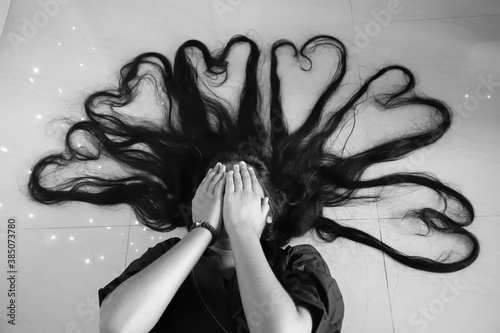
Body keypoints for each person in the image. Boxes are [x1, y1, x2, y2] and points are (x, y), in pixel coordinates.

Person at [25, 34, 479, 332]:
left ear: (269, 210)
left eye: (242, 197)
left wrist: (243, 234)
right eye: (217, 193)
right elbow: (117, 327)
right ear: (195, 200)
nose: (228, 207)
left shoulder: (297, 263)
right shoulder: (168, 258)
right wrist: (202, 231)